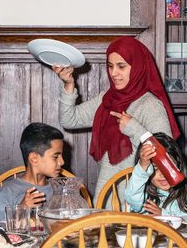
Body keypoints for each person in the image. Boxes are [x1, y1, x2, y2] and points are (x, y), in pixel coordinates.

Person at [53, 37, 180, 198]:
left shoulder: (151, 105)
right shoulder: (107, 99)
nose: (113, 73)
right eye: (110, 66)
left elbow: (166, 159)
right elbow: (69, 119)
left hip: (138, 206)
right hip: (108, 198)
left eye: (121, 66)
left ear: (138, 67)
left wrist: (133, 129)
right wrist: (69, 84)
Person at [124, 132, 187, 216]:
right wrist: (142, 166)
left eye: (168, 167)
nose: (163, 175)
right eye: (155, 168)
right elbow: (131, 198)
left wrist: (164, 215)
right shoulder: (142, 195)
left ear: (178, 165)